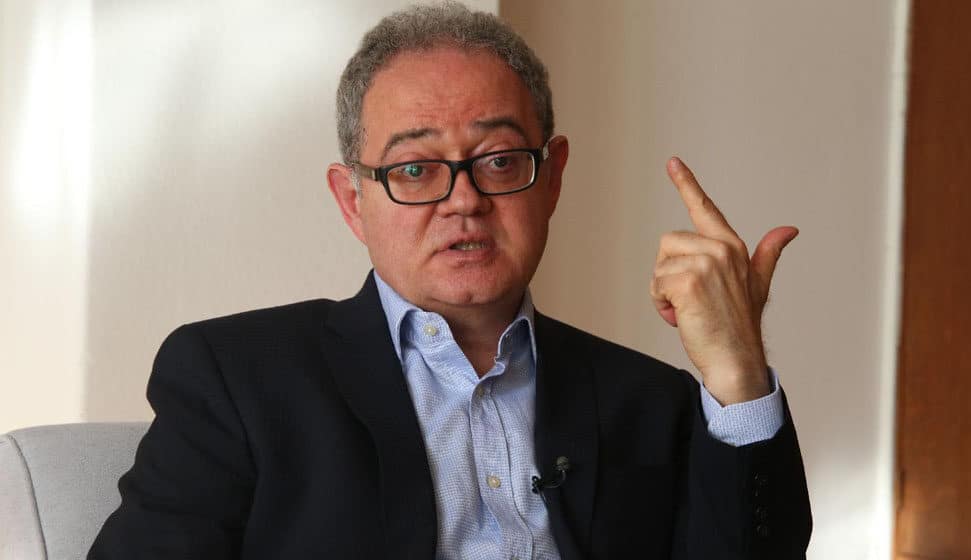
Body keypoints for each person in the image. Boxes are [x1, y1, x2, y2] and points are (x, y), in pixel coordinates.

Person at [89, 3, 811, 559]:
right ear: (352, 201)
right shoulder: (236, 380)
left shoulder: (651, 403)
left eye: (498, 161)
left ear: (552, 178)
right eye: (415, 169)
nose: (464, 200)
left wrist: (737, 372)